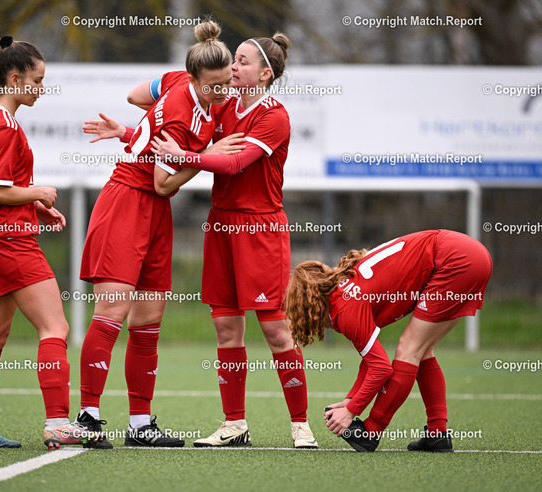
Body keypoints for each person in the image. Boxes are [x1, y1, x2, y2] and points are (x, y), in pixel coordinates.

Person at [149, 33, 317, 449]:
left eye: (241, 61)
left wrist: (184, 157)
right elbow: (161, 102)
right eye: (233, 60)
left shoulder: (274, 116)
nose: (232, 67)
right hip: (220, 226)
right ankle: (234, 424)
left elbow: (235, 162)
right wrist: (125, 132)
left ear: (265, 74)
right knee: (226, 328)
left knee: (276, 331)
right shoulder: (221, 105)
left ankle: (301, 425)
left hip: (260, 230)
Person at [74, 20, 235, 448]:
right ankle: (87, 417)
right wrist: (205, 155)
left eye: (227, 83)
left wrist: (133, 132)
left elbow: (135, 96)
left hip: (155, 213)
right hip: (128, 201)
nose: (223, 92)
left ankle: (140, 424)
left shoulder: (177, 79)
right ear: (195, 79)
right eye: (214, 86)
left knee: (148, 320)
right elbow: (164, 182)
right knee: (112, 310)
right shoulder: (183, 114)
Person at [0, 35, 99, 450]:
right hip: (7, 240)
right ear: (14, 79)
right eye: (37, 81)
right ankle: (57, 423)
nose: (41, 88)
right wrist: (38, 192)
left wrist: (35, 206)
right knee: (55, 327)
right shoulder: (4, 126)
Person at [284, 229, 493, 452]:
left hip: (455, 259)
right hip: (470, 253)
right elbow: (370, 360)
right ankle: (437, 434)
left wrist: (351, 411)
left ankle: (371, 432)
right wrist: (350, 400)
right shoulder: (344, 291)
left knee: (409, 349)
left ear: (311, 304)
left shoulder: (344, 309)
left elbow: (381, 368)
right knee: (422, 350)